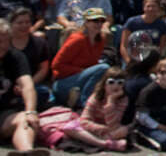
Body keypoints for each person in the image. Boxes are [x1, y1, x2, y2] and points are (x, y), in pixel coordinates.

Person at [0, 19, 46, 156]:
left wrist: (31, 111)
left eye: (6, 41)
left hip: (5, 114)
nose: (3, 46)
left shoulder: (15, 57)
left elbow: (27, 85)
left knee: (26, 119)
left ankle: (26, 152)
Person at [51, 8, 110, 109]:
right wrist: (81, 71)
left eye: (102, 21)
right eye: (95, 21)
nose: (99, 24)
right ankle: (85, 103)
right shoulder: (77, 39)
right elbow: (56, 65)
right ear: (86, 22)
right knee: (103, 68)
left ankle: (81, 101)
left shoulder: (100, 40)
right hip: (64, 82)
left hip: (81, 82)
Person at [9, 8, 51, 110]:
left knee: (43, 92)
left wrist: (27, 85)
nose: (24, 25)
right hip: (8, 85)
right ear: (11, 24)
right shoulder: (4, 43)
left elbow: (43, 69)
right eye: (20, 23)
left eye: (27, 22)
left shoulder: (40, 43)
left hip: (32, 84)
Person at [78, 66, 129, 151]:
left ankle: (95, 140)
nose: (115, 85)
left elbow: (114, 125)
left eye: (120, 83)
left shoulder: (123, 99)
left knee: (124, 130)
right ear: (104, 83)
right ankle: (105, 142)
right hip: (94, 127)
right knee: (71, 127)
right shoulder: (96, 96)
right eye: (111, 82)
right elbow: (83, 121)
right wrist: (102, 129)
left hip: (110, 130)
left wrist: (111, 101)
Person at [119, 0, 166, 65]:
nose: (151, 9)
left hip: (151, 60)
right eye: (148, 6)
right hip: (132, 58)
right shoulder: (132, 22)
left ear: (158, 8)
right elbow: (124, 46)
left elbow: (162, 48)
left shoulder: (162, 25)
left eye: (154, 6)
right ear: (143, 7)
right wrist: (128, 62)